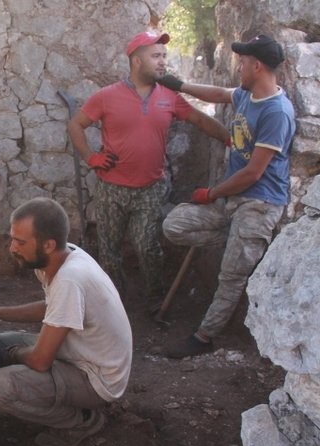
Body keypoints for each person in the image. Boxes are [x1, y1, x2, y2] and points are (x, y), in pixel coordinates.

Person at [68, 31, 231, 313]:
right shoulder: (107, 96)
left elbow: (201, 121)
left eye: (164, 56)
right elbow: (75, 125)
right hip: (110, 188)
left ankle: (155, 298)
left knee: (148, 247)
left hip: (150, 188)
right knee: (109, 252)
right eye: (156, 56)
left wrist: (232, 140)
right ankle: (113, 303)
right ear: (136, 61)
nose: (162, 62)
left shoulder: (169, 96)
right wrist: (90, 157)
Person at [0, 197, 132, 446]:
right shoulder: (58, 257)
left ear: (48, 244)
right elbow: (52, 307)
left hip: (95, 378)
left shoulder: (70, 279)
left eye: (20, 242)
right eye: (12, 238)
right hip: (77, 351)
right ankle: (40, 393)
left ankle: (81, 421)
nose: (12, 248)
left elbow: (40, 361)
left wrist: (15, 355)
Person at [156, 34, 296, 358]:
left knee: (231, 276)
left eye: (242, 62)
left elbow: (253, 173)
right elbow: (219, 93)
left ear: (256, 66)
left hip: (258, 204)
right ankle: (232, 238)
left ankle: (204, 337)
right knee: (174, 224)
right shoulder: (247, 95)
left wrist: (212, 193)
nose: (238, 67)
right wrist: (179, 85)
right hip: (231, 200)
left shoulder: (277, 112)